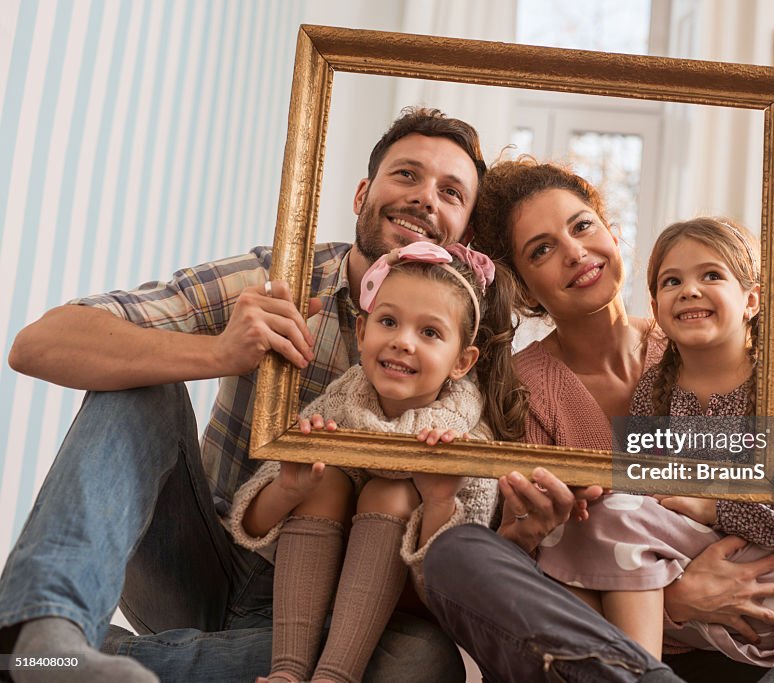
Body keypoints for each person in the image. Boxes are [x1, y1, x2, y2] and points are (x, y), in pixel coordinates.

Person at [423, 158, 774, 683]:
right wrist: (677, 597)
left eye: (583, 225)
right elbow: (547, 560)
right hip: (631, 640)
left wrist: (718, 493)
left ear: (612, 233)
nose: (574, 252)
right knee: (459, 556)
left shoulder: (701, 335)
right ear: (522, 284)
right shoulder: (521, 386)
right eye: (542, 249)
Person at [0, 107, 488, 683]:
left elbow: (478, 535)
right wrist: (219, 354)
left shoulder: (482, 358)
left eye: (451, 192)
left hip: (325, 617)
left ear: (464, 236)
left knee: (423, 662)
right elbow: (38, 344)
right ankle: (47, 630)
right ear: (362, 194)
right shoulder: (278, 278)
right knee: (142, 384)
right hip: (202, 559)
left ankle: (45, 667)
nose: (426, 198)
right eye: (407, 174)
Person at [536, 217, 774, 665]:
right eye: (672, 281)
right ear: (656, 305)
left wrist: (713, 505)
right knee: (591, 522)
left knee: (616, 519)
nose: (689, 289)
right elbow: (649, 496)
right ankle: (637, 670)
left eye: (711, 275)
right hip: (693, 577)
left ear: (751, 300)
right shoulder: (652, 392)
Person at [227, 242, 515, 683]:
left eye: (430, 333)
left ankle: (334, 677)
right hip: (298, 591)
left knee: (392, 489)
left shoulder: (466, 442)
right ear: (362, 333)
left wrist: (439, 503)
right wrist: (289, 489)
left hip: (395, 611)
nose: (402, 341)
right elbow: (251, 524)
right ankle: (286, 671)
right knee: (322, 479)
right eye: (388, 322)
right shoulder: (340, 403)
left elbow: (452, 584)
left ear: (462, 361)